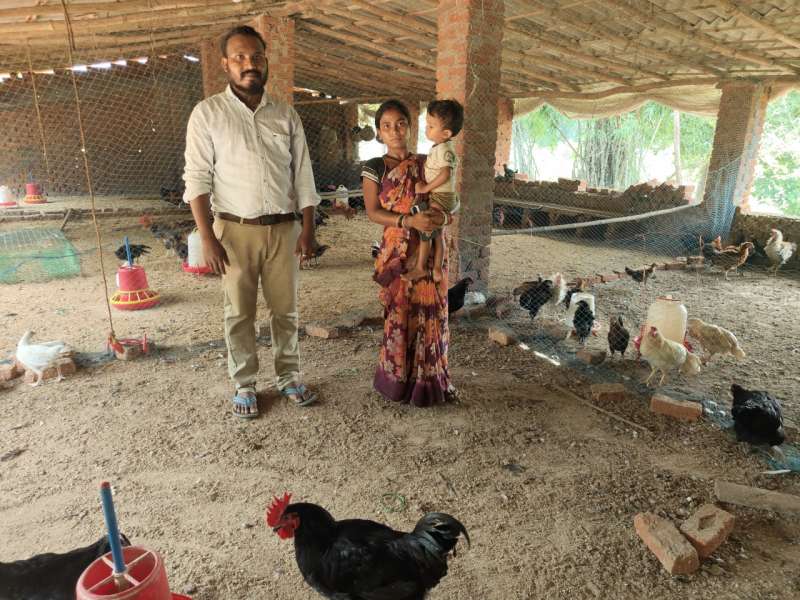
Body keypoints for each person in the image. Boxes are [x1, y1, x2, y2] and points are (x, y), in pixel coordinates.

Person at [183, 25, 319, 418]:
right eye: (240, 57)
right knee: (239, 312)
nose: (249, 64)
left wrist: (308, 229)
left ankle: (289, 376)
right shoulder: (208, 114)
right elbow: (197, 179)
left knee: (285, 311)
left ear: (265, 61)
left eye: (256, 56)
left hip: (284, 230)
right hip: (233, 231)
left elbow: (303, 175)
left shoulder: (285, 114)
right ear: (225, 64)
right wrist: (207, 238)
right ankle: (244, 383)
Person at [361, 99, 457, 407]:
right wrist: (408, 221)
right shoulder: (375, 167)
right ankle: (398, 383)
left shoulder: (427, 162)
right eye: (386, 126)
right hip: (397, 253)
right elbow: (373, 212)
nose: (394, 131)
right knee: (400, 315)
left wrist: (443, 218)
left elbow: (447, 197)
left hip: (429, 250)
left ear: (410, 126)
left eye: (400, 123)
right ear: (379, 132)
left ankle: (430, 383)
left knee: (432, 315)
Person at [403, 99, 463, 283]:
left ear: (446, 133)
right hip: (442, 196)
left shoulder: (444, 149)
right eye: (427, 124)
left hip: (441, 196)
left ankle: (421, 267)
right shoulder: (440, 147)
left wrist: (425, 188)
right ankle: (436, 269)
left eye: (431, 126)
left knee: (427, 227)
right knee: (438, 234)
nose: (426, 129)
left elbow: (445, 174)